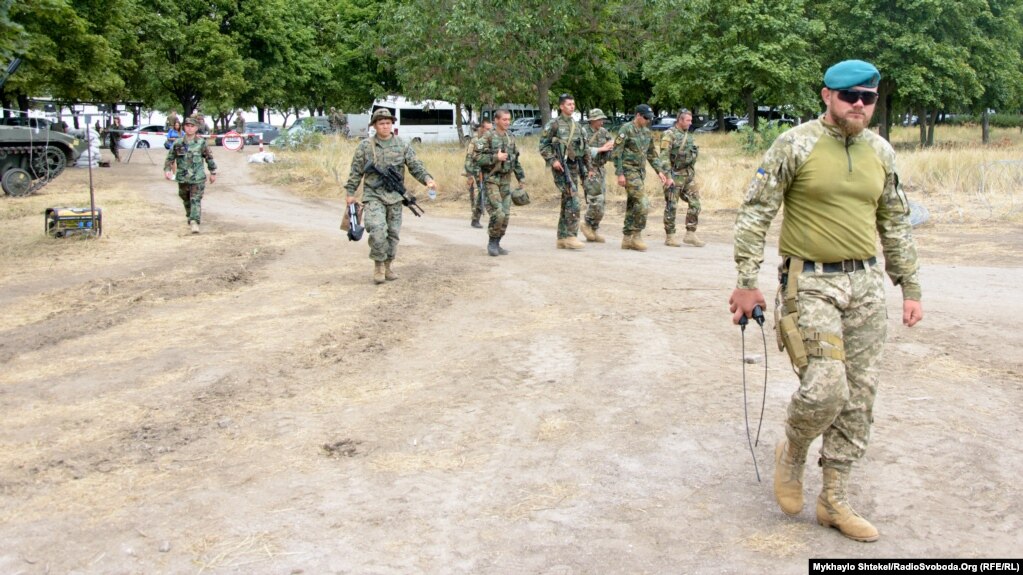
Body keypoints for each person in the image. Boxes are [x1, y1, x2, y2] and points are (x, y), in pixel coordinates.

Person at [728, 60, 923, 543]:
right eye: (848, 95)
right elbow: (756, 213)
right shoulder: (795, 144)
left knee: (859, 397)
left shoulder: (880, 150)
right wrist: (746, 280)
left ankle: (834, 498)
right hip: (809, 282)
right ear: (826, 96)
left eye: (868, 97)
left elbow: (895, 221)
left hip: (865, 284)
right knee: (826, 386)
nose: (859, 104)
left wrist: (910, 286)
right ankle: (792, 452)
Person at [344, 108, 437, 284]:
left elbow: (415, 165)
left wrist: (427, 179)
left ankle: (388, 265)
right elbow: (356, 172)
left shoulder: (402, 144)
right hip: (373, 195)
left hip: (395, 196)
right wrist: (350, 193)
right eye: (381, 123)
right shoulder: (365, 146)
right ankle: (378, 265)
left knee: (393, 234)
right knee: (377, 229)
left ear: (392, 124)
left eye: (388, 123)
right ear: (375, 126)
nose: (385, 126)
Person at [611, 104, 671, 251]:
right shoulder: (626, 129)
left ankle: (627, 238)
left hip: (639, 172)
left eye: (649, 119)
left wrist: (660, 172)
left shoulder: (646, 132)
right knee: (643, 202)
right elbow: (616, 152)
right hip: (628, 171)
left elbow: (651, 154)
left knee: (633, 204)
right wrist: (619, 174)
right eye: (645, 118)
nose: (648, 121)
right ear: (638, 115)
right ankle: (637, 235)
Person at [539, 93, 593, 250]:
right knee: (574, 200)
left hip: (575, 167)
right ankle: (571, 236)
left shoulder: (578, 126)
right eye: (569, 104)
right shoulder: (553, 125)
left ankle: (562, 238)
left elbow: (585, 149)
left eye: (573, 104)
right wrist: (553, 160)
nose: (572, 106)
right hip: (561, 168)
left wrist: (589, 168)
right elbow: (543, 145)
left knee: (567, 201)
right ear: (561, 106)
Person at [474, 109, 525, 256]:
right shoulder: (487, 137)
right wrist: (495, 157)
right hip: (491, 179)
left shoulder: (510, 137)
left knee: (506, 214)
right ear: (496, 120)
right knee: (498, 212)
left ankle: (498, 241)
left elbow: (515, 159)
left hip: (506, 180)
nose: (507, 122)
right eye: (504, 119)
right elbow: (476, 157)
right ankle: (492, 242)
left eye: (509, 119)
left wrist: (521, 177)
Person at [163, 116, 217, 234]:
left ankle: (194, 221)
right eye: (187, 126)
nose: (189, 128)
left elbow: (209, 158)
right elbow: (170, 158)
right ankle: (190, 215)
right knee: (185, 198)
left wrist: (213, 172)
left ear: (196, 128)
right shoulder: (178, 143)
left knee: (195, 199)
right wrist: (167, 170)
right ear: (184, 127)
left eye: (192, 126)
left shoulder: (201, 143)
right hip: (183, 177)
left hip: (197, 177)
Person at [659, 109, 704, 247]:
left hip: (687, 176)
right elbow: (664, 156)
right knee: (672, 206)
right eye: (688, 120)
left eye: (691, 120)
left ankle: (690, 233)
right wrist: (667, 176)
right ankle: (670, 236)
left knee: (695, 203)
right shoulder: (669, 135)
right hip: (674, 175)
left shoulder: (688, 136)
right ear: (680, 120)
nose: (690, 123)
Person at [580, 108, 615, 243]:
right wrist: (600, 149)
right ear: (592, 120)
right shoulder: (583, 132)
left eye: (602, 119)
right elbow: (580, 150)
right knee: (596, 199)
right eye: (600, 119)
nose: (602, 122)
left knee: (602, 202)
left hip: (600, 169)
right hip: (588, 169)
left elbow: (611, 148)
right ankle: (587, 224)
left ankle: (593, 229)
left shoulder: (604, 132)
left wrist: (612, 147)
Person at [463, 119, 492, 228]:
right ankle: (478, 218)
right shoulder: (475, 141)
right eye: (488, 129)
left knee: (484, 193)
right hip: (477, 170)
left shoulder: (491, 139)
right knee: (483, 192)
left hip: (489, 170)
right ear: (482, 128)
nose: (490, 131)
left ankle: (477, 218)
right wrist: (469, 175)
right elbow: (468, 159)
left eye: (491, 129)